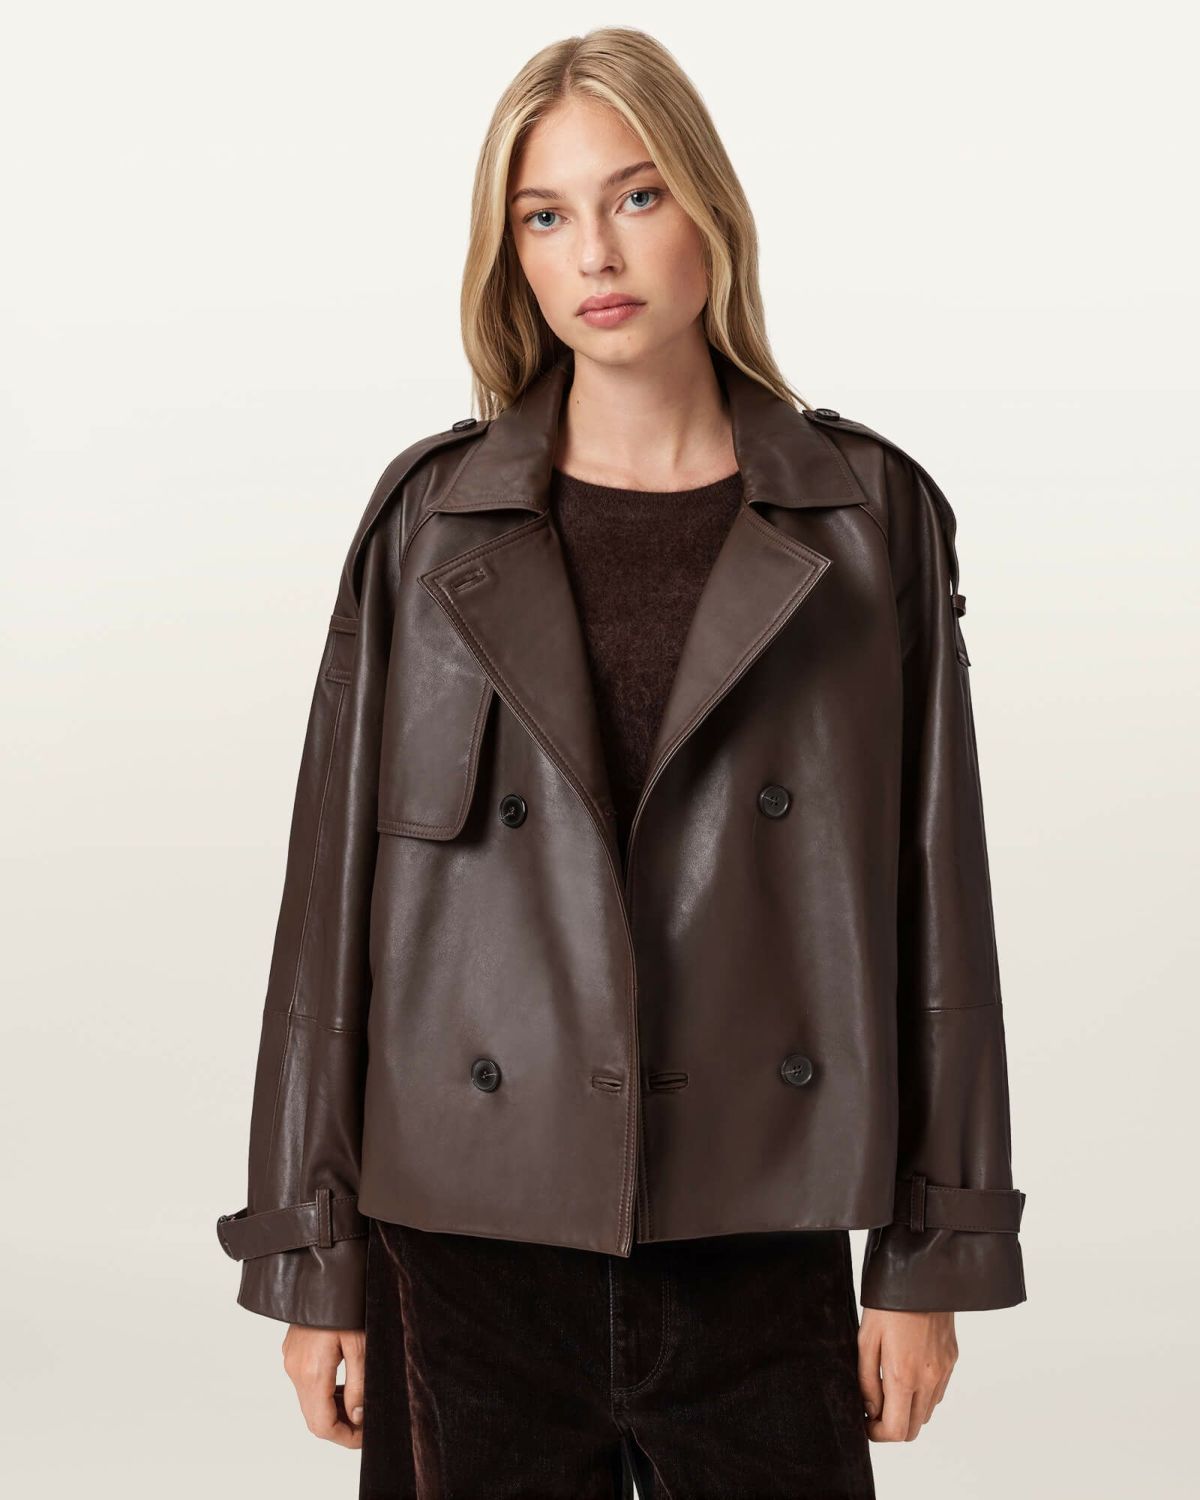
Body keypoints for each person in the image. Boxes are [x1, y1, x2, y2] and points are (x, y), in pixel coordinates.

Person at [216, 25, 1027, 1499]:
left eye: (637, 195)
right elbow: (327, 917)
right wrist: (311, 1256)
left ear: (710, 208)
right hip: (458, 1247)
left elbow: (939, 905)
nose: (595, 249)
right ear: (510, 254)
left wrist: (933, 1250)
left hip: (762, 1227)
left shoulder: (869, 519)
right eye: (546, 215)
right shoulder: (427, 526)